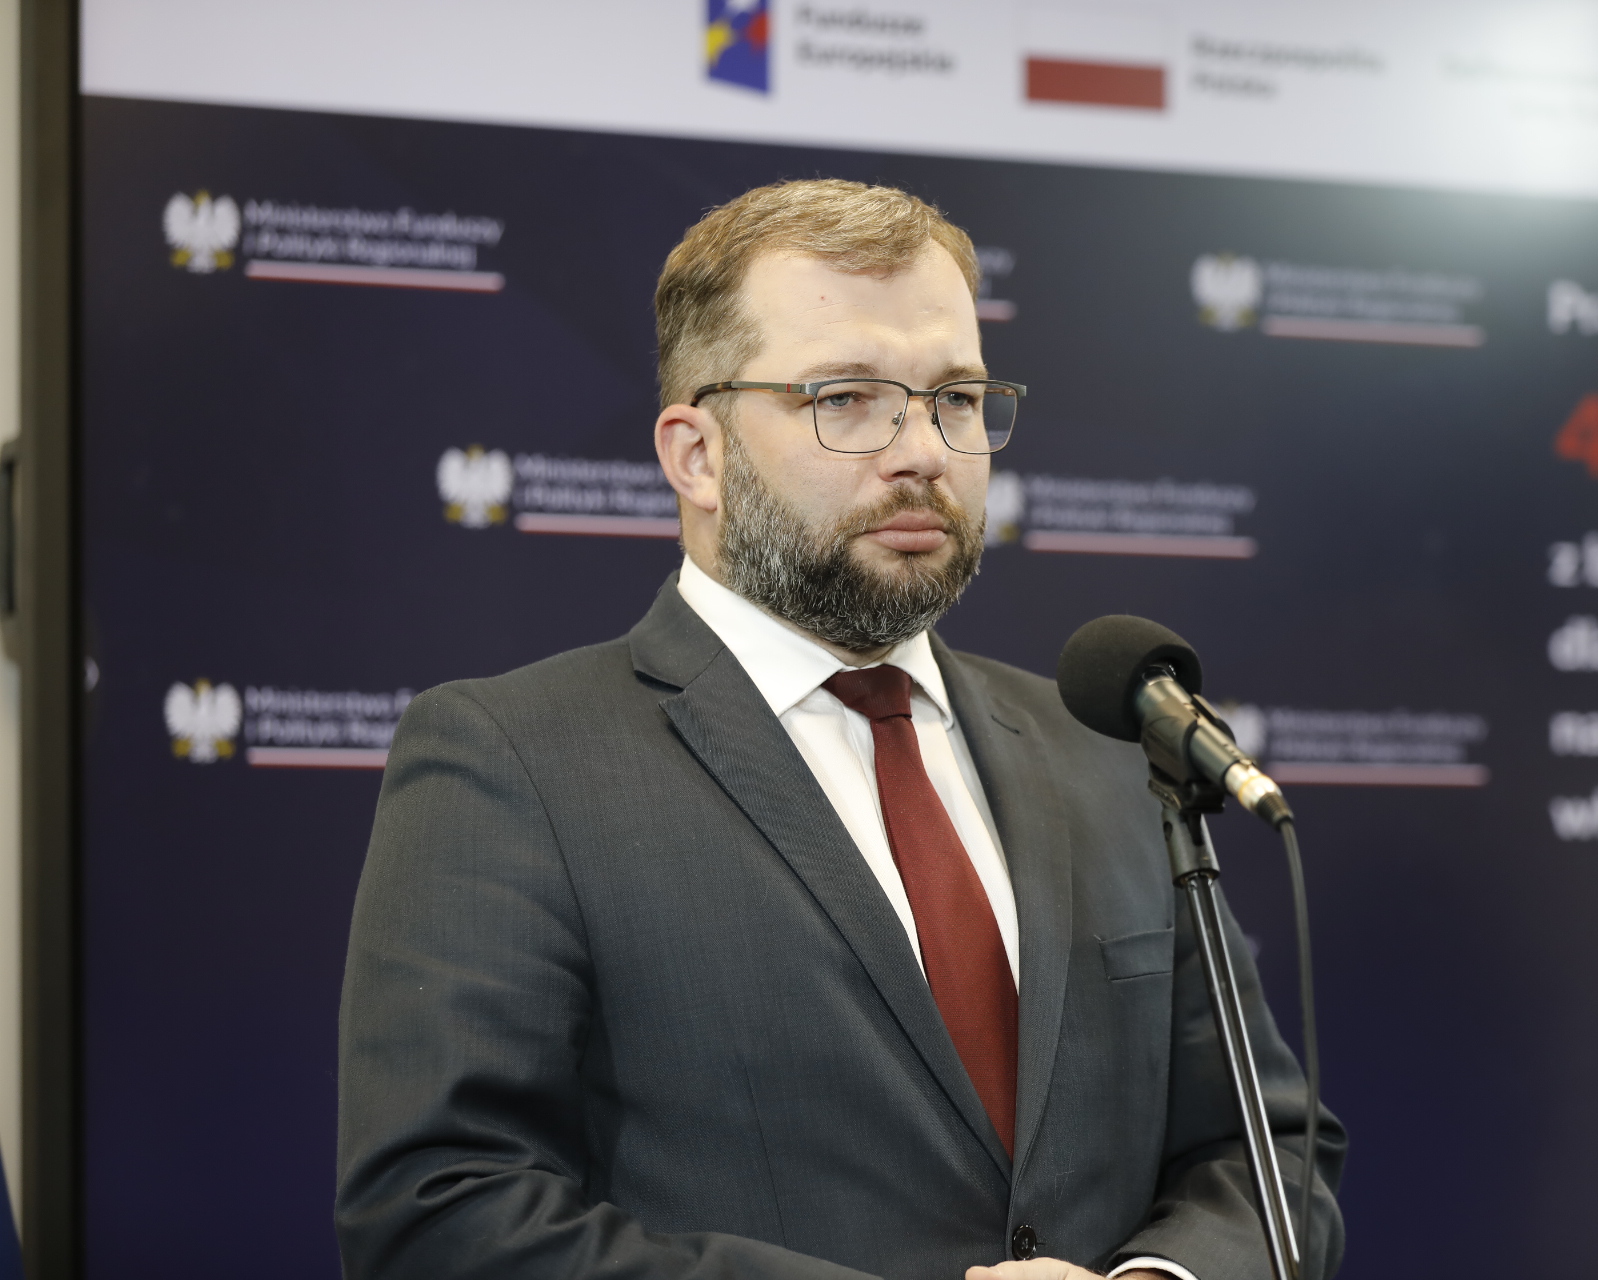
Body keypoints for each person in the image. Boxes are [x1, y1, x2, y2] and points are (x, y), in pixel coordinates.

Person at [336, 179, 1344, 1280]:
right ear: (697, 454)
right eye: (848, 398)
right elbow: (443, 1216)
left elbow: (1269, 1155)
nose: (924, 451)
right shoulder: (513, 761)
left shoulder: (1103, 750)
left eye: (957, 398)